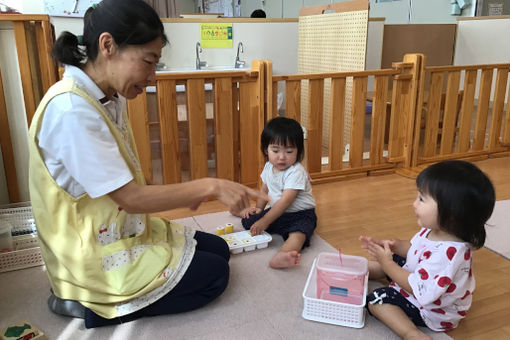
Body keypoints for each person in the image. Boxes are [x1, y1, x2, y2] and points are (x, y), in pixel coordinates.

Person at [28, 0, 267, 329]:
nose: (153, 77)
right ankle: (85, 303)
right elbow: (130, 197)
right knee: (215, 275)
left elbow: (124, 185)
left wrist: (190, 193)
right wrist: (209, 186)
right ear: (108, 45)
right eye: (148, 62)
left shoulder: (106, 97)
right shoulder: (71, 109)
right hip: (87, 253)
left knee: (218, 249)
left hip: (120, 229)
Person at [359, 160, 495, 340]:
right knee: (396, 260)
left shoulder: (447, 255)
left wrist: (387, 263)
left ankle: (411, 333)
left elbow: (417, 288)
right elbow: (416, 251)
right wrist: (396, 245)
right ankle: (361, 269)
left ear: (451, 214)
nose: (414, 204)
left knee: (377, 298)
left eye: (422, 199)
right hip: (426, 284)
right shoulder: (436, 231)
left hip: (433, 311)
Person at [236, 116, 317, 269]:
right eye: (275, 150)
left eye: (289, 151)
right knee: (249, 222)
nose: (281, 157)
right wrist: (259, 209)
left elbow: (285, 201)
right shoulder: (268, 167)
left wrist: (265, 220)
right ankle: (240, 210)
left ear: (298, 152)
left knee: (299, 233)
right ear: (266, 150)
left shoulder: (296, 172)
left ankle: (285, 254)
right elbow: (265, 189)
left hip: (301, 214)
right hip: (278, 212)